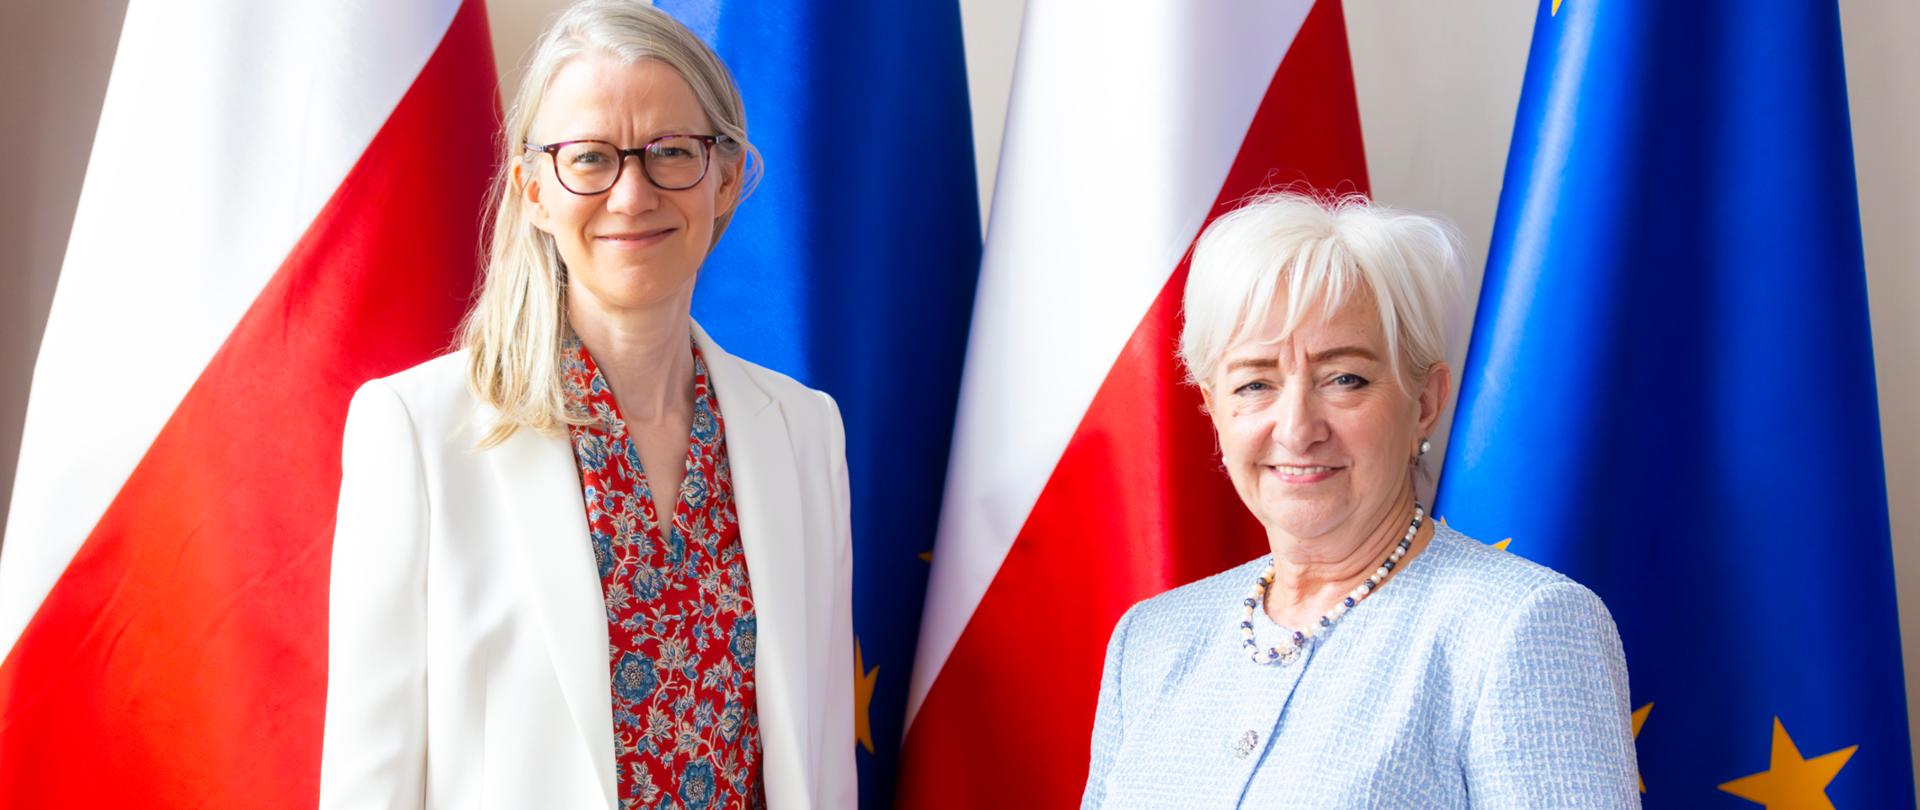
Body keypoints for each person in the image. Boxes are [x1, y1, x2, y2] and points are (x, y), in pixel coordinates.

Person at [319, 2, 855, 807]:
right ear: (533, 190)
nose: (632, 194)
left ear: (724, 178)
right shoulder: (417, 433)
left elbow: (823, 770)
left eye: (671, 152)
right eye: (591, 159)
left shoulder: (805, 431)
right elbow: (371, 786)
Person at [1081, 193, 1639, 808]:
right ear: (1214, 411)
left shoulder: (1520, 626)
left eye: (1344, 379)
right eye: (1255, 383)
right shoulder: (1149, 640)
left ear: (1425, 403)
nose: (1297, 428)